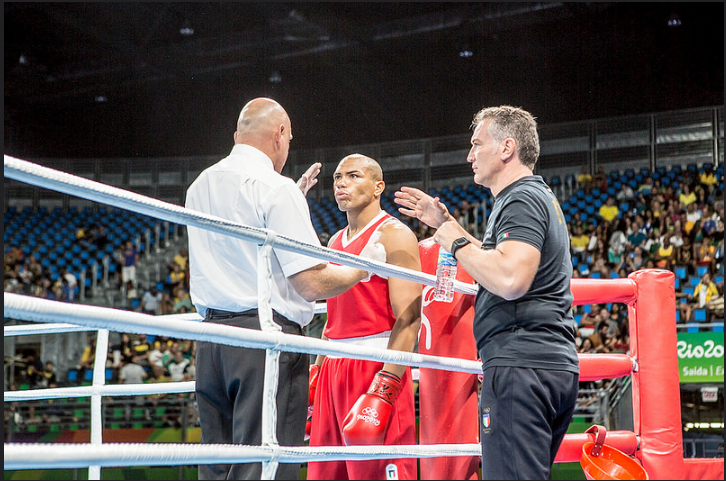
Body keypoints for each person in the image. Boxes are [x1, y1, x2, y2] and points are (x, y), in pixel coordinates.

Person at [185, 97, 377, 480]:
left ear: (237, 136)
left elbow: (241, 246)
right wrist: (362, 268)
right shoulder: (275, 187)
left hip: (210, 342)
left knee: (219, 465)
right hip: (265, 339)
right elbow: (309, 283)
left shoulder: (200, 184)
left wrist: (293, 203)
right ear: (280, 135)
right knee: (265, 464)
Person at [394, 105, 579, 480]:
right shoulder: (535, 197)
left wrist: (454, 239)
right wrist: (447, 225)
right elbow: (502, 263)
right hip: (544, 364)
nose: (469, 155)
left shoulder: (520, 199)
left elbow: (511, 279)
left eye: (477, 144)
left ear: (507, 147)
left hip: (521, 365)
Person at [306, 154, 422, 480]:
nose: (342, 183)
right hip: (332, 367)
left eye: (354, 176)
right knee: (327, 473)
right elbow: (332, 320)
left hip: (377, 365)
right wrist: (316, 373)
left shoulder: (394, 235)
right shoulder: (334, 241)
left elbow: (410, 318)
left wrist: (386, 387)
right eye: (337, 178)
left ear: (377, 187)